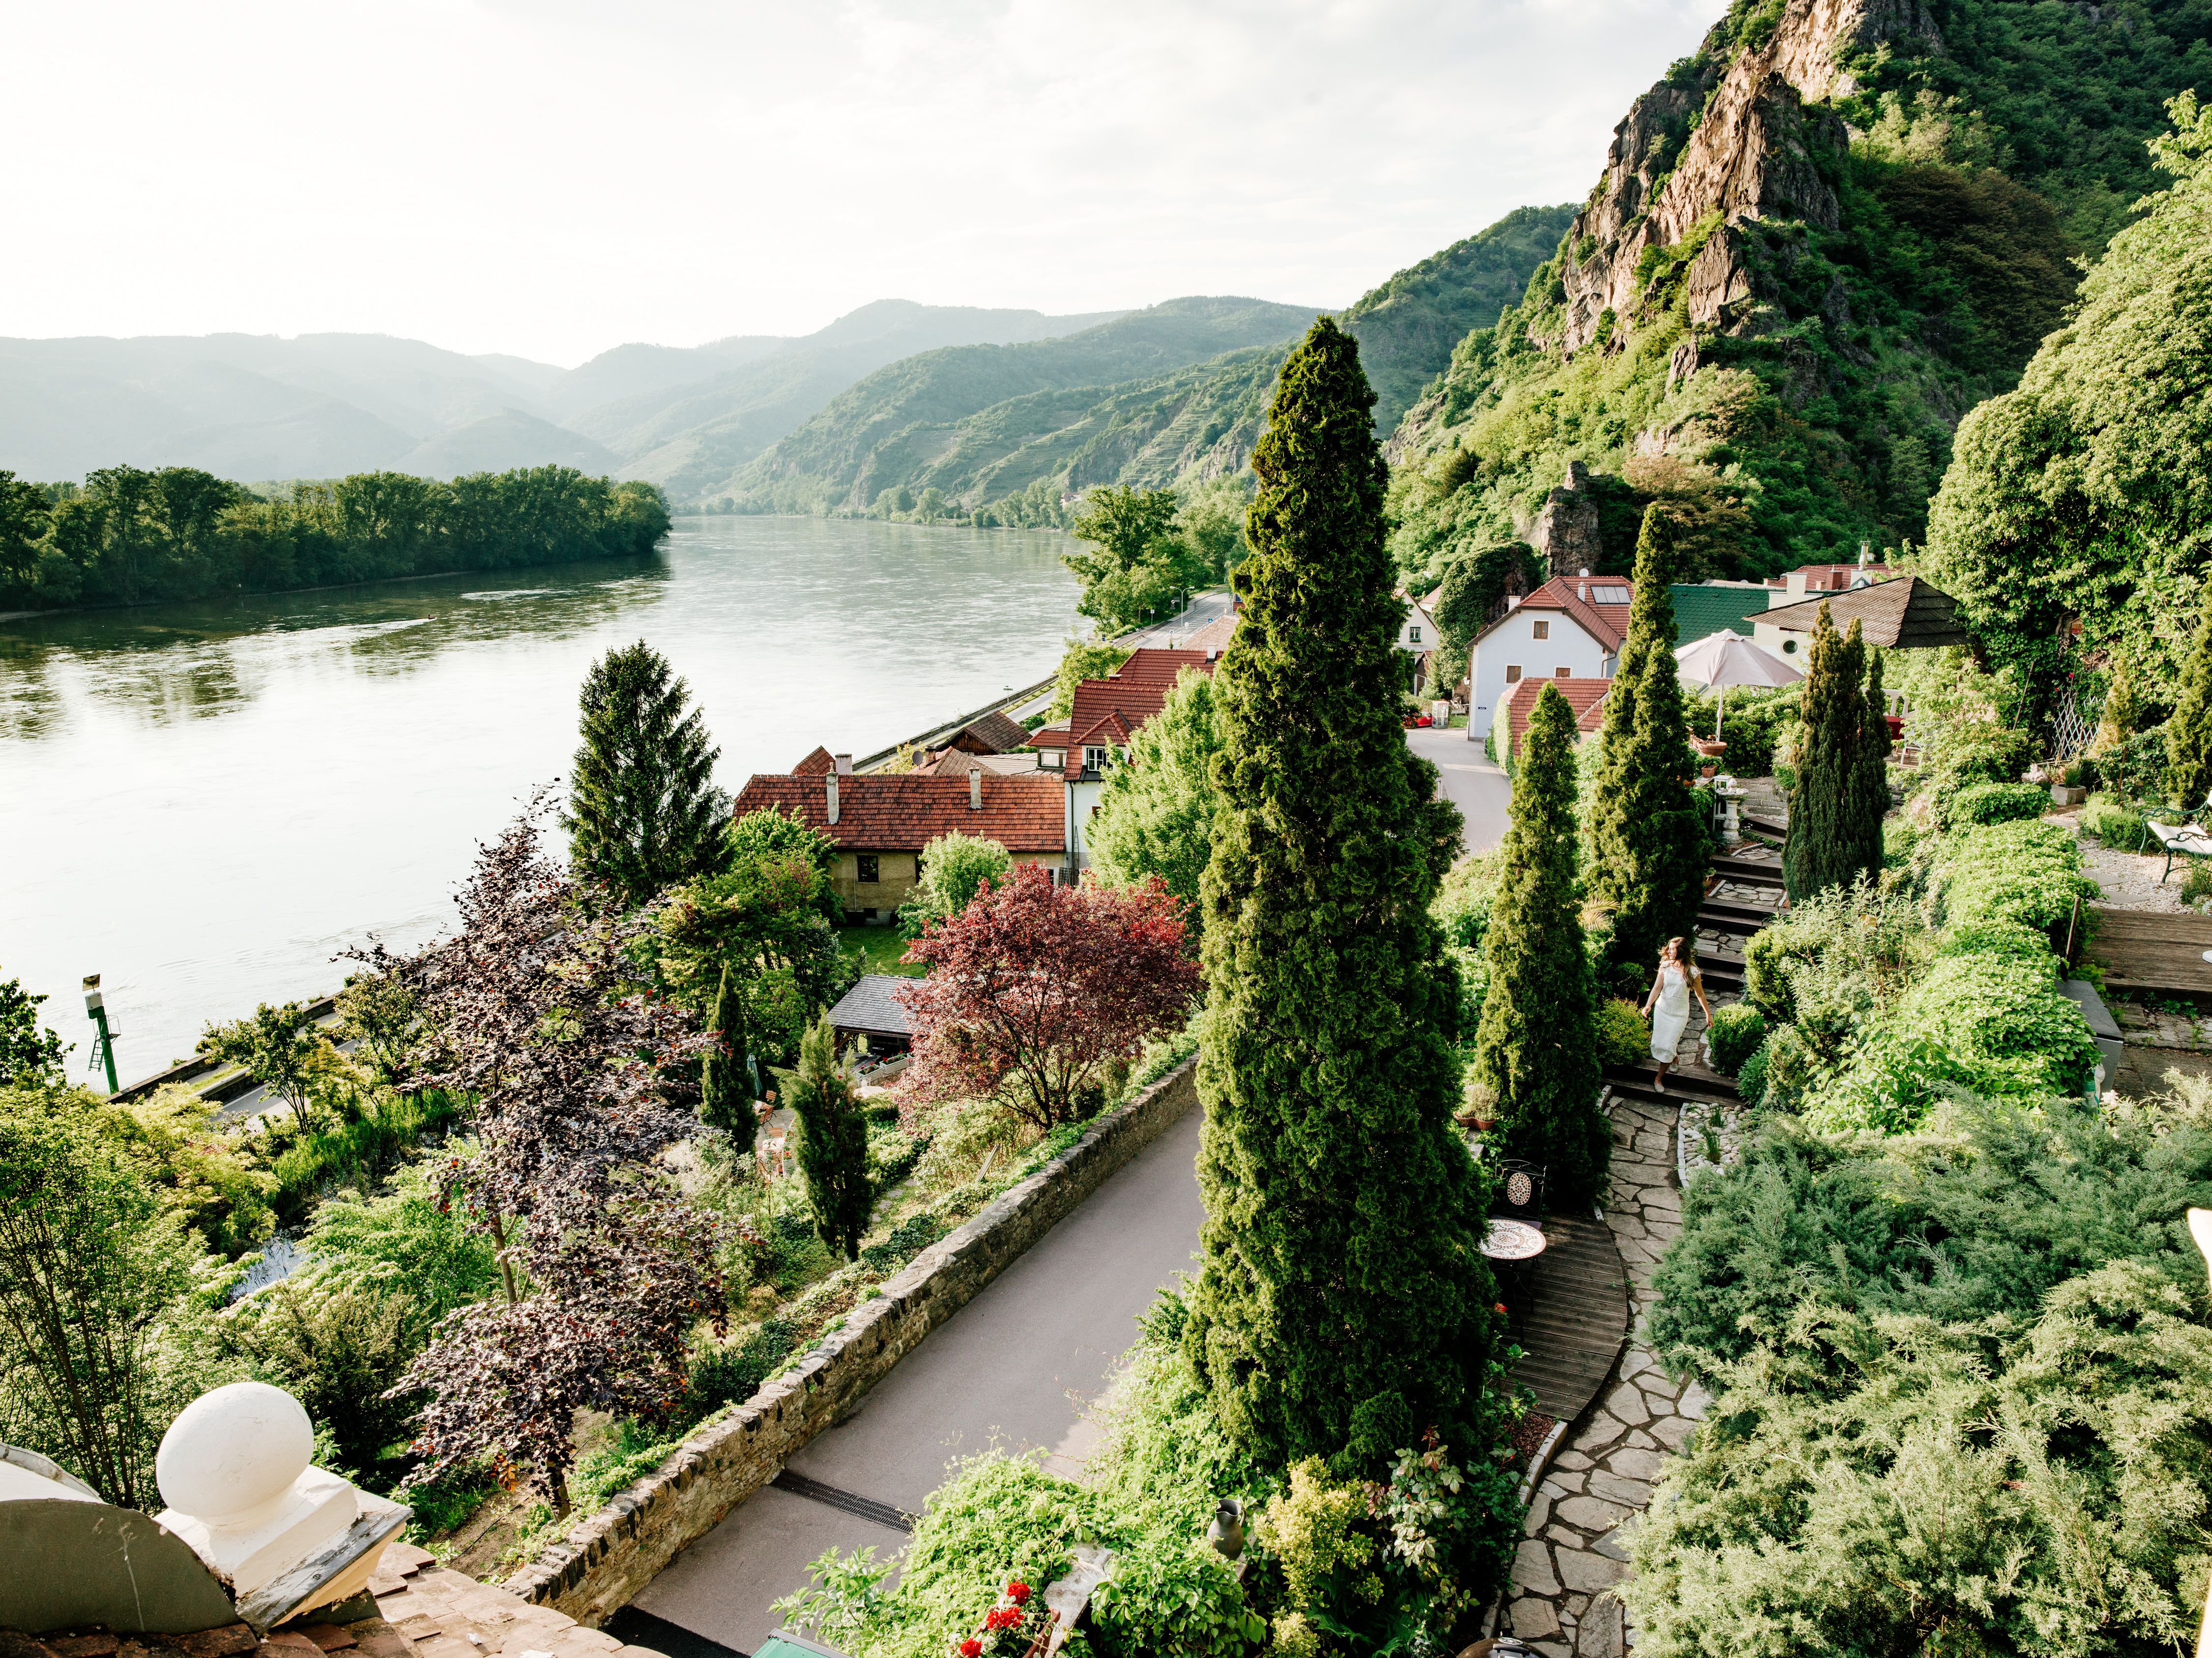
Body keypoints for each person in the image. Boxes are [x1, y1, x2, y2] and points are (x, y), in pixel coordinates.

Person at [1641, 935, 1712, 1094]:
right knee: (1659, 1044)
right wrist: (1648, 1005)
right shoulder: (1665, 966)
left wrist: (1708, 1014)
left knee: (1668, 1047)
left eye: (1672, 949)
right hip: (1662, 1011)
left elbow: (1700, 994)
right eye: (1669, 948)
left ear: (1681, 951)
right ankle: (1675, 1057)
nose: (1669, 951)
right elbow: (1657, 988)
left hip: (1679, 1015)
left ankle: (1658, 1079)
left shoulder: (1693, 972)